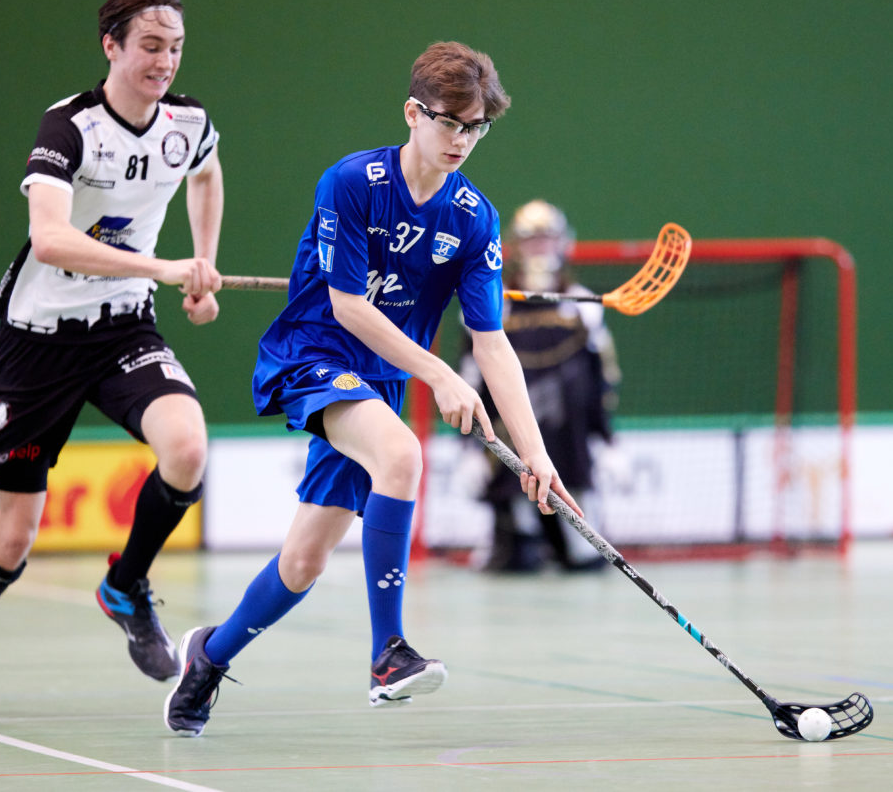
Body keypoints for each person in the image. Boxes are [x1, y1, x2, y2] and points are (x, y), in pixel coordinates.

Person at [163, 41, 584, 737]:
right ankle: (387, 654)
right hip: (316, 351)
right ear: (413, 113)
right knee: (402, 456)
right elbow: (351, 305)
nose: (461, 140)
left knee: (302, 560)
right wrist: (440, 373)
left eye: (475, 127)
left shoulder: (473, 217)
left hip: (377, 380)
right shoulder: (353, 182)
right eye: (449, 122)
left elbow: (492, 340)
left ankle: (208, 654)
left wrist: (535, 453)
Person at [0, 0, 224, 717]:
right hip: (40, 341)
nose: (165, 62)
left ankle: (126, 582)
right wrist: (162, 264)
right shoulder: (70, 128)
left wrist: (203, 266)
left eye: (175, 47)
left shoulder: (188, 123)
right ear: (111, 45)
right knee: (13, 539)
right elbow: (50, 239)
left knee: (186, 447)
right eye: (150, 46)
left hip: (123, 328)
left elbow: (206, 174)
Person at [460, 200, 622, 573]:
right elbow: (471, 379)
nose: (540, 249)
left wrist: (610, 441)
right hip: (509, 448)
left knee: (583, 559)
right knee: (516, 558)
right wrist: (467, 448)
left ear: (564, 243)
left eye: (548, 239)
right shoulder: (492, 304)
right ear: (516, 246)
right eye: (532, 241)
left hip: (570, 443)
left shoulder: (585, 307)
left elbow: (600, 383)